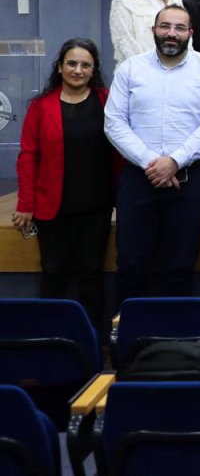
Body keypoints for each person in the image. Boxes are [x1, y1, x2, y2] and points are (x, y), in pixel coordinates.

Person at [104, 5, 200, 304]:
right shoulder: (130, 69)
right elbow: (114, 122)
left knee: (180, 267)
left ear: (190, 33)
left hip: (191, 181)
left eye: (179, 28)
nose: (171, 33)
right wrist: (152, 162)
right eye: (165, 26)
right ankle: (131, 333)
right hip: (138, 179)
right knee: (131, 266)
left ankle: (173, 334)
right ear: (154, 30)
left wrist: (174, 161)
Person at [13, 39, 118, 330]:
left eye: (85, 65)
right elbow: (27, 157)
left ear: (94, 69)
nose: (78, 70)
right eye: (71, 63)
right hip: (52, 210)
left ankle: (91, 341)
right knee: (53, 273)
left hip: (95, 208)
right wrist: (25, 205)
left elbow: (121, 153)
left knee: (91, 274)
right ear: (59, 67)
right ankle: (51, 339)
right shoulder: (40, 106)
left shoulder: (107, 101)